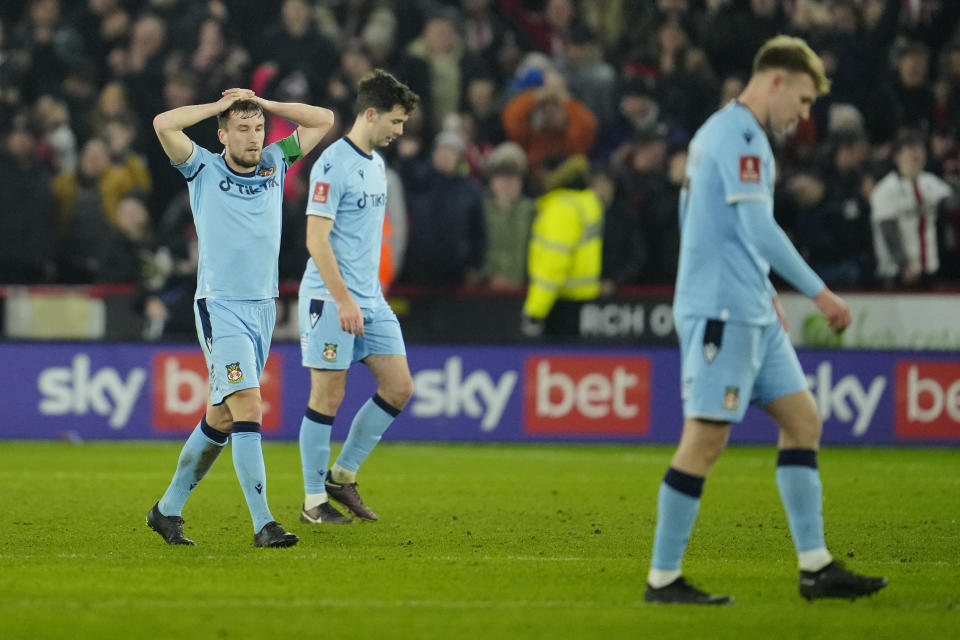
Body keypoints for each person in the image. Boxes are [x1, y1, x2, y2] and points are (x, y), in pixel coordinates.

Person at [644, 35, 888, 605]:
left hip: (749, 305)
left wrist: (761, 285)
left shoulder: (723, 134)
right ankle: (663, 578)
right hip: (722, 313)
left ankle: (815, 566)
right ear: (775, 81)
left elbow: (708, 223)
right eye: (802, 101)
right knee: (705, 442)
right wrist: (819, 293)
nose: (803, 116)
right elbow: (757, 229)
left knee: (802, 421)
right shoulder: (740, 137)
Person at [146, 87, 335, 547]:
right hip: (220, 305)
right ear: (223, 135)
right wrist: (217, 106)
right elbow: (163, 124)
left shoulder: (275, 161)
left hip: (263, 308)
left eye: (258, 129)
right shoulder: (202, 168)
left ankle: (166, 510)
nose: (253, 138)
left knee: (223, 418)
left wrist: (267, 105)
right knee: (249, 405)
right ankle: (263, 523)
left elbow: (323, 119)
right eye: (243, 129)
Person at [297, 69, 419, 525]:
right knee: (328, 397)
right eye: (396, 121)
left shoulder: (377, 164)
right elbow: (316, 240)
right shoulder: (332, 164)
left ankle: (341, 476)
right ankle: (313, 502)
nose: (400, 131)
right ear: (371, 113)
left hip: (370, 299)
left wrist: (365, 297)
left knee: (400, 386)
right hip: (332, 300)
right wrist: (345, 300)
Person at [870, 128, 954, 288]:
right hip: (897, 274)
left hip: (929, 269)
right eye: (909, 149)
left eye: (919, 148)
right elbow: (888, 230)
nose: (916, 154)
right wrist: (903, 266)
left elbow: (951, 205)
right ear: (897, 157)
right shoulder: (885, 189)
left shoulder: (932, 184)